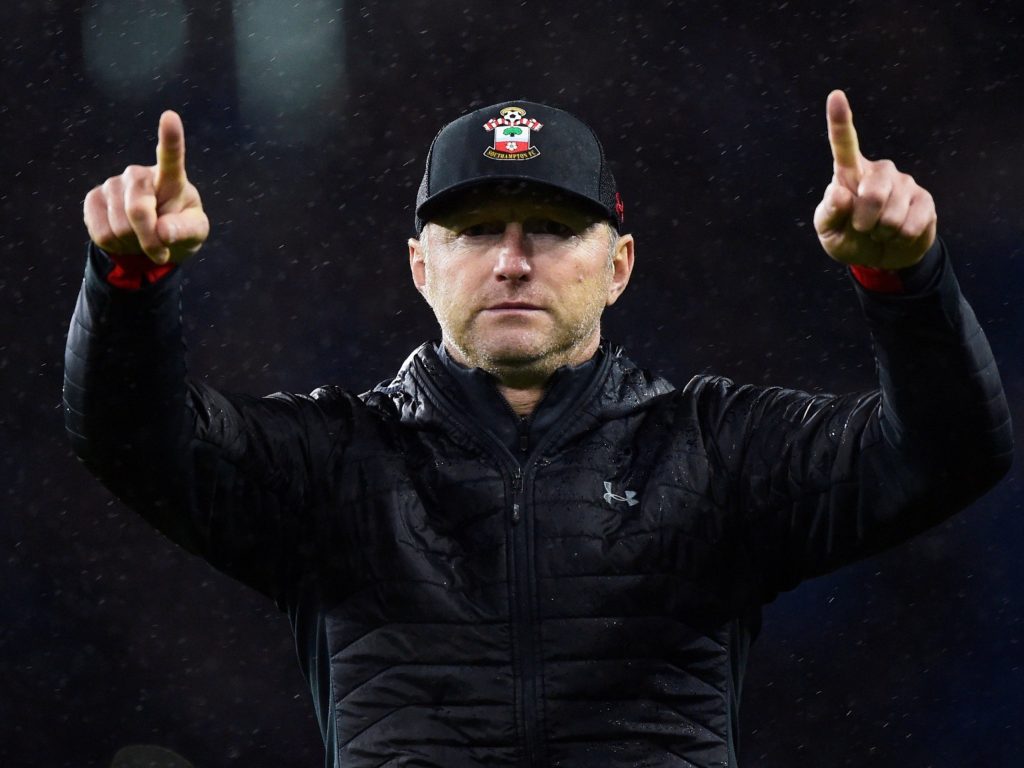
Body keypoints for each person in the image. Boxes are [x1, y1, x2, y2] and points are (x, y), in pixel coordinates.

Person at [65, 93, 1012, 767]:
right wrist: (130, 290)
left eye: (552, 228)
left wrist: (907, 283)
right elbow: (134, 442)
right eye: (477, 231)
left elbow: (946, 454)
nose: (513, 261)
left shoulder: (713, 446)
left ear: (620, 266)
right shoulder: (339, 461)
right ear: (419, 268)